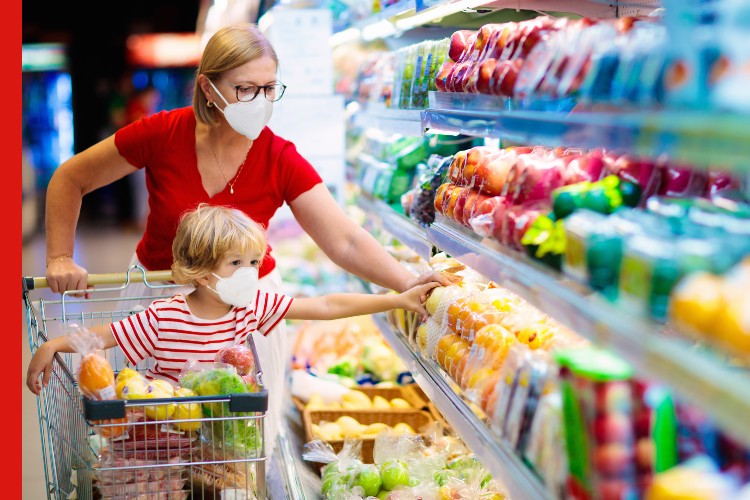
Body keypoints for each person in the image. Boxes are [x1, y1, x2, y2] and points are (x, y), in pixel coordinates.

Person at [42, 23, 456, 454]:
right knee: (155, 433)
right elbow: (71, 179)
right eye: (244, 89)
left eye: (269, 88)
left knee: (236, 446)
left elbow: (345, 240)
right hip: (160, 305)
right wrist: (58, 257)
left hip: (243, 310)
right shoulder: (162, 133)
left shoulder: (279, 157)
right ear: (207, 87)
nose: (259, 102)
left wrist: (406, 282)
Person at [27, 205, 439, 439]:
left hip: (222, 440)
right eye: (237, 263)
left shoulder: (250, 306)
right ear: (203, 273)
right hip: (164, 438)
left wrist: (394, 298)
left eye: (254, 262)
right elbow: (102, 337)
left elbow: (326, 305)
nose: (251, 272)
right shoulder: (164, 316)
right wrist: (51, 346)